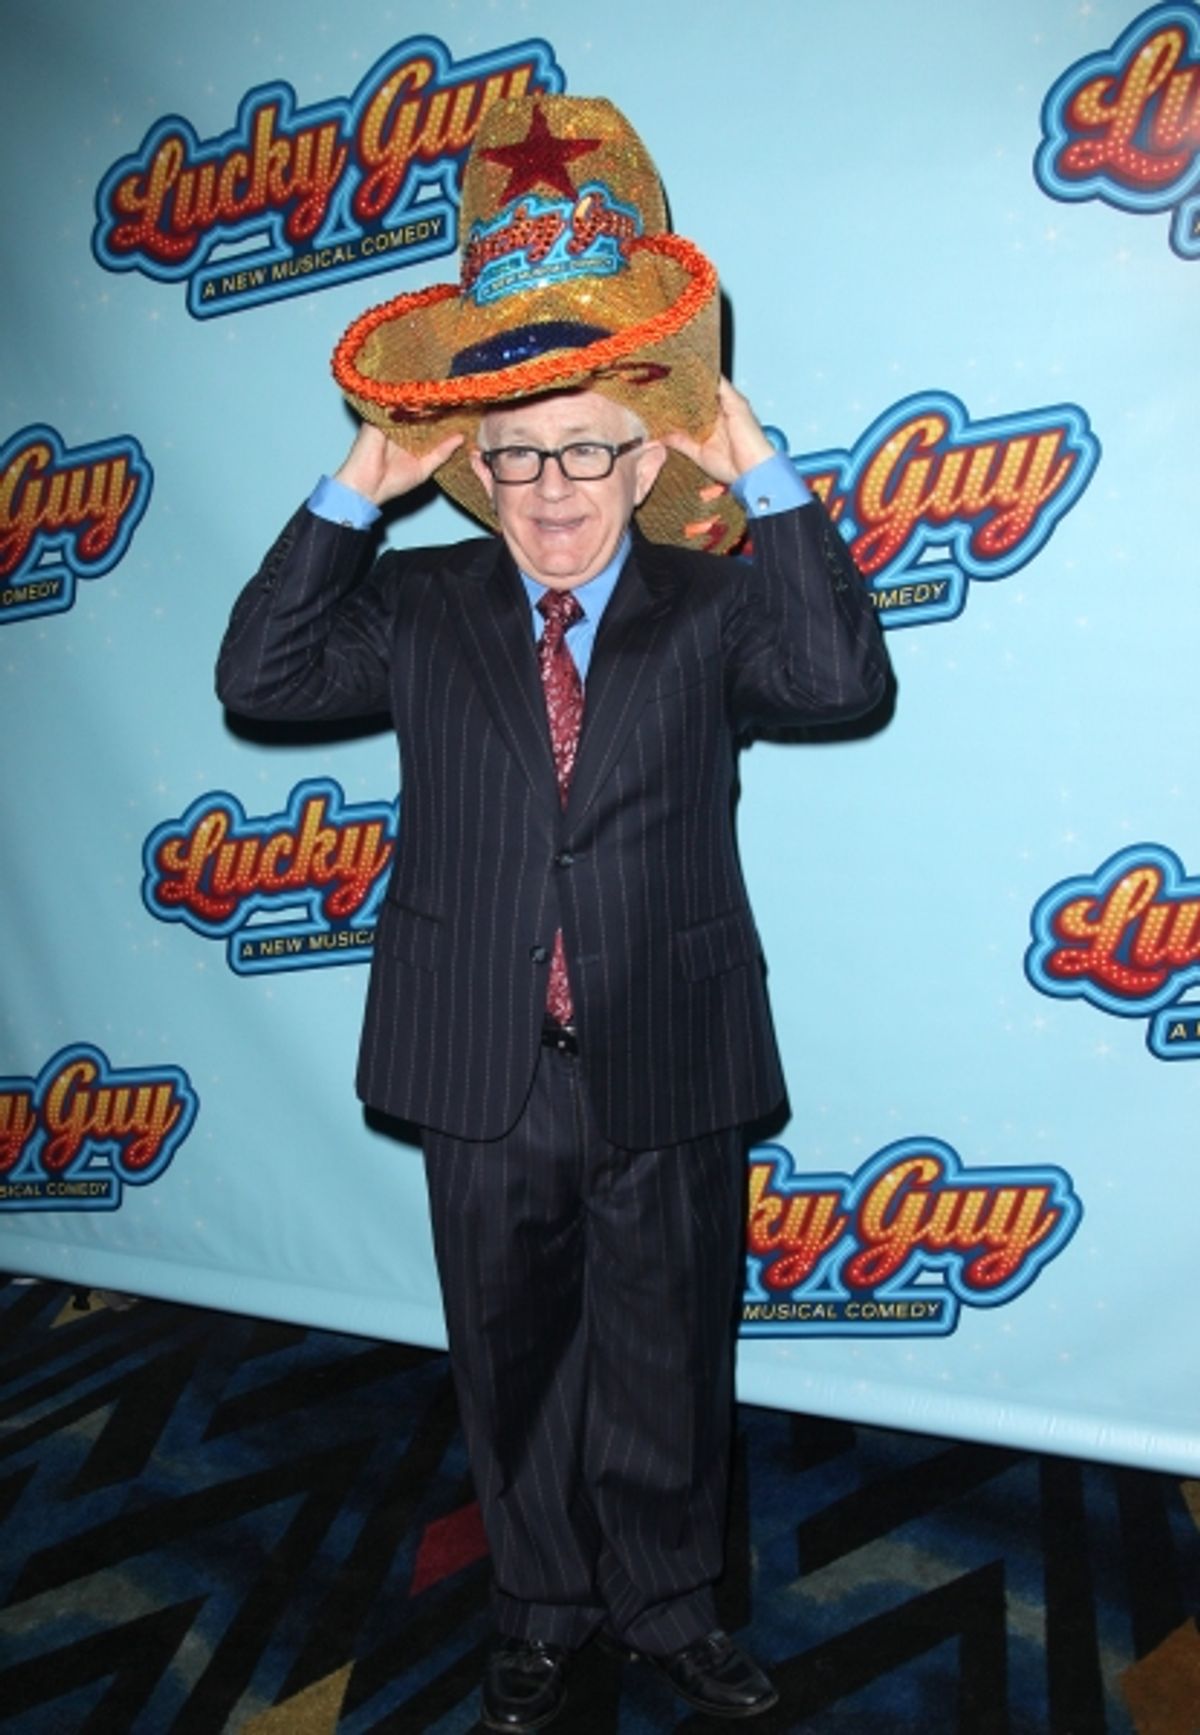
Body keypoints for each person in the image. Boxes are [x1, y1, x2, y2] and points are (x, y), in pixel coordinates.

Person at [217, 95, 890, 1731]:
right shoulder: (423, 603)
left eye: (587, 445)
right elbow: (260, 678)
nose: (552, 485)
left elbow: (838, 677)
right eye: (517, 453)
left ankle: (667, 1610)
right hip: (482, 1054)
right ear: (480, 468)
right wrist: (358, 484)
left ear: (644, 450)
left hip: (667, 1039)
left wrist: (763, 471)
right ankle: (537, 1609)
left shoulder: (719, 600)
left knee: (668, 1354)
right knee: (510, 1357)